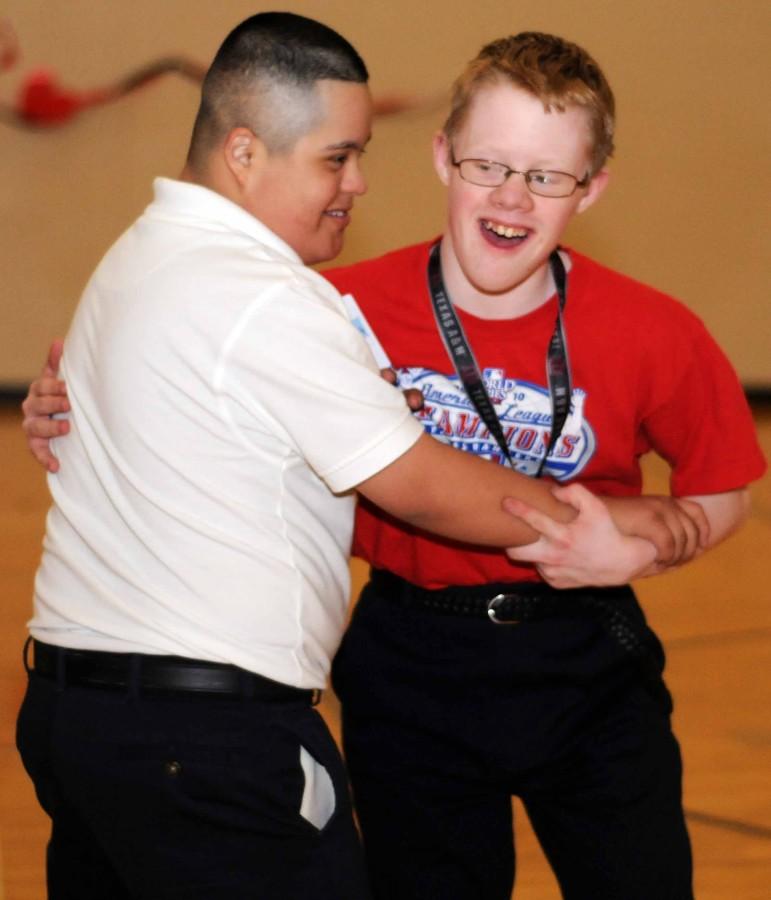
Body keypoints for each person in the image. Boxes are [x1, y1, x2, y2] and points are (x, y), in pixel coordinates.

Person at [17, 15, 709, 900]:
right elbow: (422, 486)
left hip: (81, 719)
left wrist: (56, 412)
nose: (356, 183)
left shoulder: (136, 256)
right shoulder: (268, 300)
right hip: (203, 741)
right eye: (335, 158)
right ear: (244, 154)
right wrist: (612, 521)